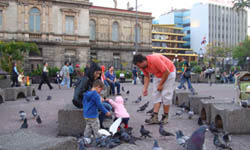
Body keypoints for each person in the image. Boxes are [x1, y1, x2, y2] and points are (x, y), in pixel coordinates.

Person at [133, 53, 176, 124]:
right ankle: (155, 117)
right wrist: (145, 88)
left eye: (138, 65)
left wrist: (160, 84)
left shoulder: (154, 60)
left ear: (143, 61)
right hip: (158, 74)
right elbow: (146, 76)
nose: (138, 67)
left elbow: (166, 72)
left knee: (166, 95)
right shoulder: (143, 66)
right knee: (155, 95)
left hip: (169, 72)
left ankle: (165, 116)